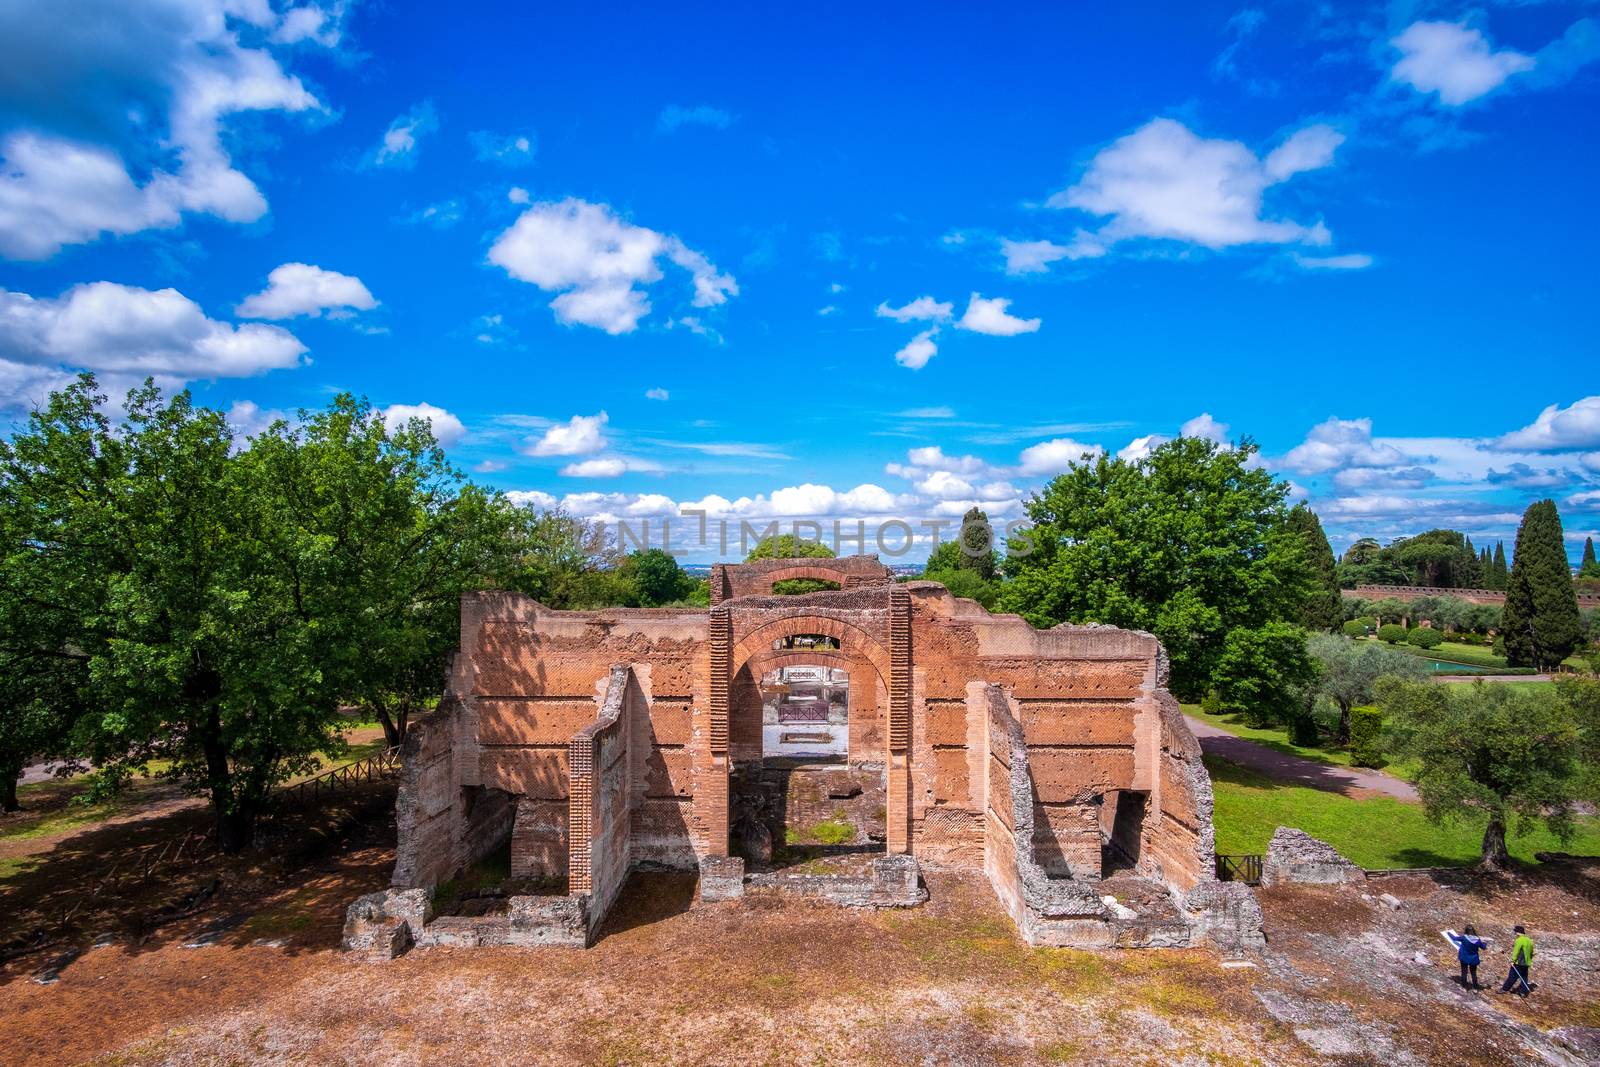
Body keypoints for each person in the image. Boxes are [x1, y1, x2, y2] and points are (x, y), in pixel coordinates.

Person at [1497, 924, 1535, 996]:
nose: (1515, 934)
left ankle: (1504, 989)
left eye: (1515, 932)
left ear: (1518, 932)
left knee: (1512, 976)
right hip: (1526, 963)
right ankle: (1523, 992)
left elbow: (1516, 951)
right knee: (1524, 977)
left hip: (1518, 963)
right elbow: (1532, 952)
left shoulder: (1519, 940)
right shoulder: (1529, 940)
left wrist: (1513, 961)